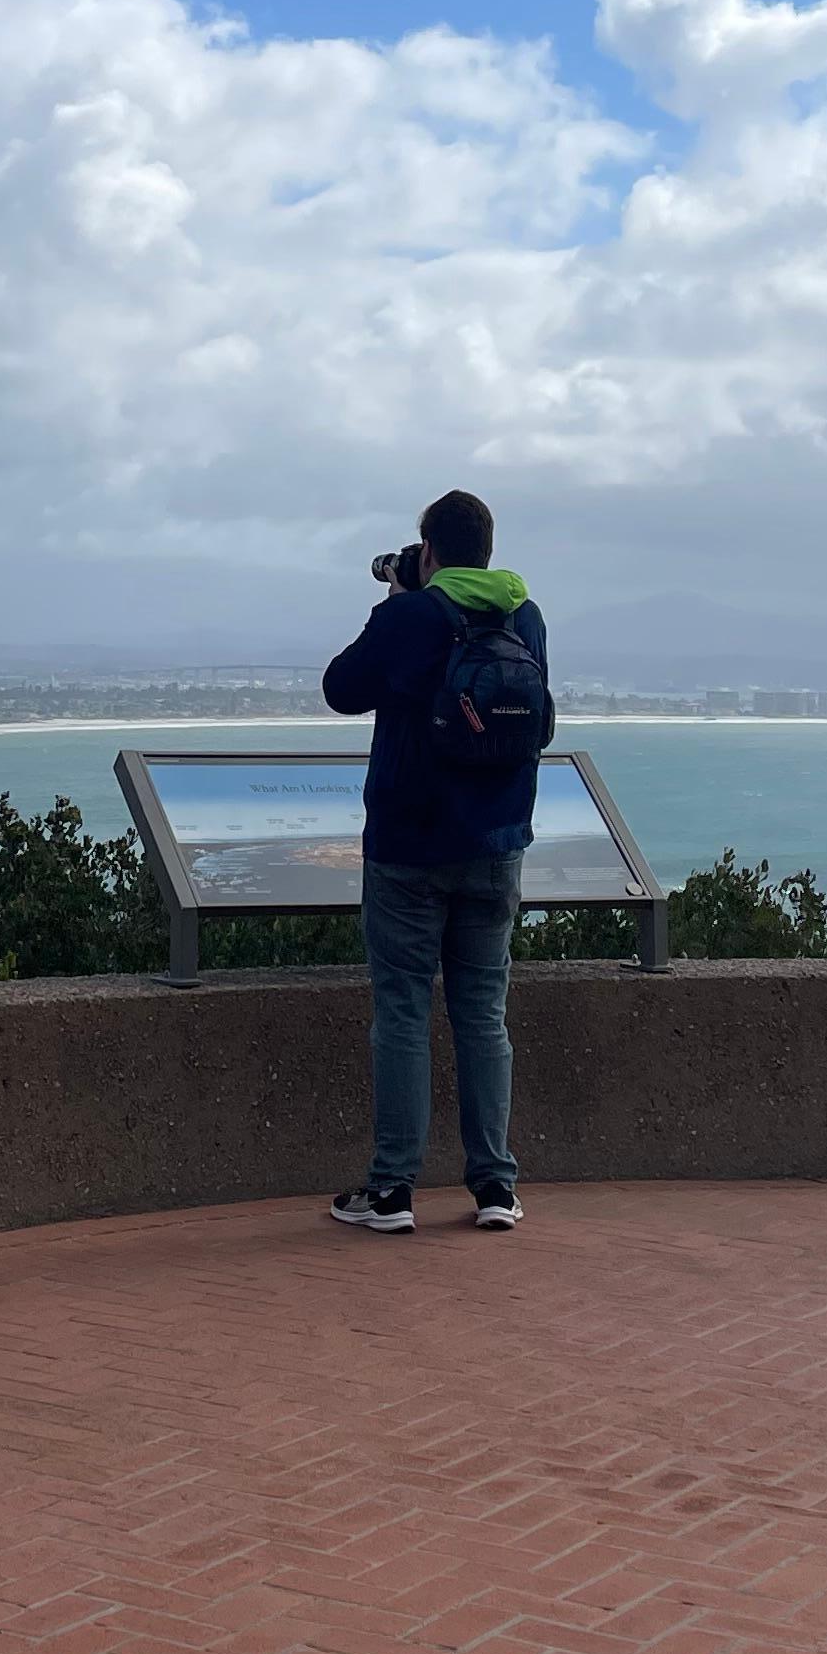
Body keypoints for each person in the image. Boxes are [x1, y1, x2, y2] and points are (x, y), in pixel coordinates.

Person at [318, 489, 553, 1235]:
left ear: (428, 553)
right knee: (484, 1015)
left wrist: (394, 603)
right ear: (486, 550)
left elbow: (340, 689)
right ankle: (495, 1188)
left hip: (408, 847)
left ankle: (391, 1192)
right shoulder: (526, 616)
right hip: (498, 844)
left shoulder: (412, 615)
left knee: (403, 1012)